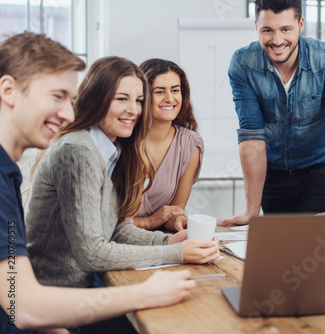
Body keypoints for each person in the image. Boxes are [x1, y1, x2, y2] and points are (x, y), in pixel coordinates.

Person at [0, 32, 196, 334]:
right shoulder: (74, 151)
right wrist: (158, 275)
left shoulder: (8, 174)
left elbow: (14, 290)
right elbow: (21, 303)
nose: (67, 113)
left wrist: (167, 242)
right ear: (8, 90)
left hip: (59, 307)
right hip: (58, 306)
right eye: (57, 96)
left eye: (70, 100)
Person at [219, 0, 325, 225]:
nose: (277, 40)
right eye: (267, 30)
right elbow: (252, 136)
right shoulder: (243, 63)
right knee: (281, 248)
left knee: (318, 242)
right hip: (273, 171)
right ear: (256, 27)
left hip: (319, 169)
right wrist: (251, 211)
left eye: (285, 29)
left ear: (300, 24)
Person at [133, 59, 203, 232]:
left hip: (156, 242)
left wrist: (179, 220)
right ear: (143, 96)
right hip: (113, 242)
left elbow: (174, 211)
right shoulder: (122, 138)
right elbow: (103, 220)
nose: (170, 98)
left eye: (175, 90)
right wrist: (148, 222)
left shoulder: (189, 144)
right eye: (159, 91)